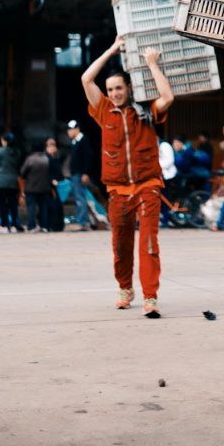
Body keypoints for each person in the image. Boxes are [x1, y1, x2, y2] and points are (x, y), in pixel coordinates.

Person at [82, 36, 173, 319]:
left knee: (148, 244)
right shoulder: (103, 111)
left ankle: (150, 296)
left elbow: (167, 97)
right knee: (120, 245)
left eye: (119, 88)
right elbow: (86, 79)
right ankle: (125, 288)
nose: (115, 93)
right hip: (117, 191)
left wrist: (151, 64)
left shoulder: (143, 111)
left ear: (128, 88)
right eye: (111, 89)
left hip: (148, 187)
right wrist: (110, 49)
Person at [66, 120, 93, 231]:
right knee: (79, 197)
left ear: (77, 129)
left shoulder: (83, 140)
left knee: (80, 198)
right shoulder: (75, 141)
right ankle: (83, 220)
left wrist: (86, 173)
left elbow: (88, 157)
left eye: (70, 129)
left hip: (80, 174)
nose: (69, 132)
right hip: (75, 174)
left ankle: (83, 222)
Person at [20, 141, 53, 232]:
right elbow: (51, 172)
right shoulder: (47, 158)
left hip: (31, 188)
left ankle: (31, 226)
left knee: (31, 208)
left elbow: (22, 173)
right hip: (44, 187)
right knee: (44, 208)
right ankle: (44, 226)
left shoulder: (30, 159)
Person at [0, 133, 23, 232]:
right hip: (13, 182)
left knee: (2, 205)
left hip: (1, 182)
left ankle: (4, 225)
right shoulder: (17, 152)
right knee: (13, 204)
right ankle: (15, 224)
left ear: (5, 141)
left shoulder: (0, 151)